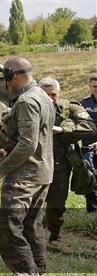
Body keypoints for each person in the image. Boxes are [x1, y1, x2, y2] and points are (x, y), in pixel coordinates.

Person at [0, 57, 54, 276]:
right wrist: (9, 150)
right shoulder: (43, 96)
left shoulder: (27, 100)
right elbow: (35, 139)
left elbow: (29, 143)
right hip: (40, 174)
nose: (6, 82)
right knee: (32, 226)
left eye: (5, 76)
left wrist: (1, 169)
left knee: (9, 230)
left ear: (13, 75)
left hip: (24, 178)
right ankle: (38, 275)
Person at [38, 77, 95, 241]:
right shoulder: (29, 107)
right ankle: (32, 235)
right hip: (33, 163)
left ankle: (54, 235)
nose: (49, 98)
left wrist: (63, 129)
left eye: (53, 94)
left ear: (59, 93)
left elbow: (89, 127)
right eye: (45, 94)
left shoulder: (70, 108)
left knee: (57, 204)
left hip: (60, 164)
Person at [80, 74, 97, 213]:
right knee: (89, 180)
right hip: (87, 149)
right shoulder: (83, 103)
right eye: (95, 86)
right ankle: (91, 214)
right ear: (90, 87)